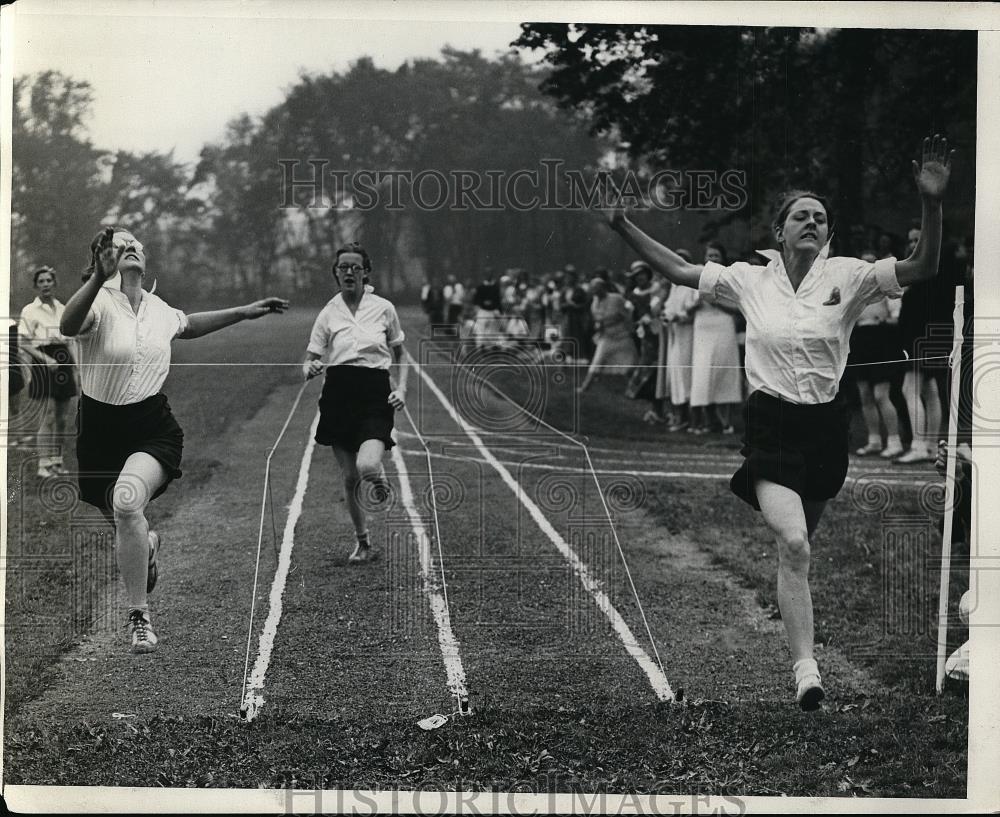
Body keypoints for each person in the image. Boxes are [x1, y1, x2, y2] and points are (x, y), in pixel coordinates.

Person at [604, 135, 953, 710]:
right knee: (793, 543)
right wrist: (621, 225)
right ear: (780, 230)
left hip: (825, 428)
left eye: (820, 217)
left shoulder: (851, 275)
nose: (811, 222)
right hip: (770, 423)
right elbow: (679, 268)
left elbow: (925, 265)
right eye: (800, 216)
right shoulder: (748, 278)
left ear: (828, 233)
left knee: (800, 548)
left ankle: (795, 616)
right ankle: (806, 670)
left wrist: (932, 203)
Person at [60, 227, 289, 654]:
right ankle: (147, 544)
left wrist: (246, 311)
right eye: (121, 246)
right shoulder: (99, 303)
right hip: (99, 430)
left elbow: (190, 324)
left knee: (127, 503)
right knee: (128, 521)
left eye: (137, 246)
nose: (132, 250)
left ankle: (139, 618)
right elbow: (67, 324)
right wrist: (96, 279)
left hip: (150, 426)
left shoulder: (160, 309)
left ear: (145, 260)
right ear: (104, 258)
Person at [303, 242, 408, 565]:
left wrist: (401, 389)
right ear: (336, 273)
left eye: (355, 267)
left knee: (366, 466)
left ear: (366, 272)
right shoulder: (328, 312)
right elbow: (309, 359)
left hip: (375, 392)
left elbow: (401, 355)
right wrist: (311, 368)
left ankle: (378, 478)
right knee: (350, 478)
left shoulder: (383, 308)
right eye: (343, 267)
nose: (349, 272)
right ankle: (363, 542)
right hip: (338, 393)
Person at [19, 266, 80, 476]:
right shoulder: (30, 310)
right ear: (36, 286)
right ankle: (43, 464)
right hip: (43, 361)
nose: (45, 284)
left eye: (48, 280)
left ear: (54, 283)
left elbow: (70, 341)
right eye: (41, 281)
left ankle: (57, 461)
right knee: (49, 416)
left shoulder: (63, 308)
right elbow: (23, 343)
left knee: (63, 418)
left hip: (63, 359)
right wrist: (46, 359)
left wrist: (76, 368)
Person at [847, 251, 905, 458]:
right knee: (865, 395)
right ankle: (874, 440)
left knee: (881, 395)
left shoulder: (886, 288)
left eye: (871, 264)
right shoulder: (855, 293)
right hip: (860, 342)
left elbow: (896, 316)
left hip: (881, 341)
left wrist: (884, 320)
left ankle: (894, 441)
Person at [688, 243, 742, 434]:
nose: (712, 259)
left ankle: (725, 422)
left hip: (723, 326)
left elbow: (738, 308)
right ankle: (706, 420)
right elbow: (687, 310)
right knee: (702, 373)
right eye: (709, 255)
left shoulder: (730, 279)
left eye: (716, 256)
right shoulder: (696, 276)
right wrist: (697, 302)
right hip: (702, 328)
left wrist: (715, 301)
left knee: (722, 371)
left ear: (723, 259)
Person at [576, 276, 637, 393]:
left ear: (603, 288)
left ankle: (634, 388)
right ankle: (585, 387)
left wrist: (630, 327)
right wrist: (599, 325)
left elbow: (628, 313)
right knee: (597, 361)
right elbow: (596, 318)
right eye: (593, 289)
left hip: (622, 335)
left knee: (631, 363)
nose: (595, 292)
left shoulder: (616, 298)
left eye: (597, 289)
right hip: (606, 336)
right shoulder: (594, 302)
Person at [661, 249, 697, 432]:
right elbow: (668, 306)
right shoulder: (675, 285)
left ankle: (687, 417)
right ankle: (677, 414)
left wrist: (679, 316)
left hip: (688, 333)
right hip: (675, 333)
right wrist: (667, 316)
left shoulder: (691, 284)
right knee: (674, 373)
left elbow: (693, 310)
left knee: (685, 373)